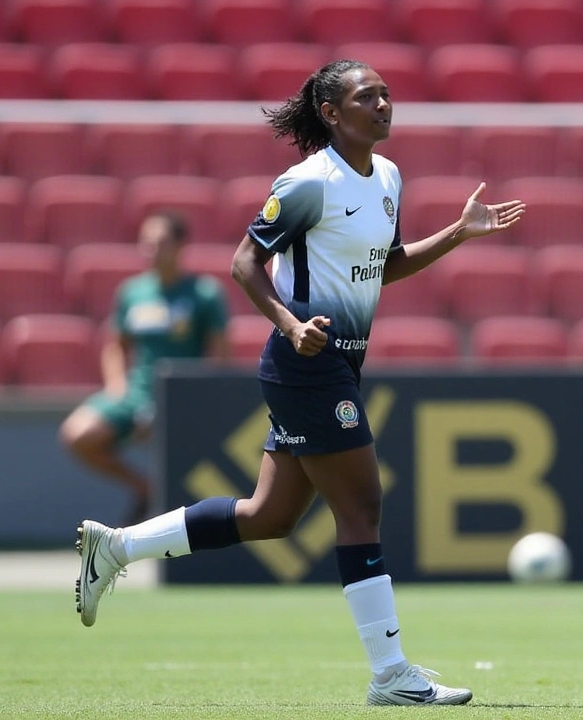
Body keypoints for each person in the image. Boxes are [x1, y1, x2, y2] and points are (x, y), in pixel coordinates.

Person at [74, 59, 524, 706]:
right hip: (305, 364)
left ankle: (116, 548)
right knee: (361, 505)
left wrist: (457, 232)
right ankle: (392, 673)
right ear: (333, 114)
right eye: (366, 96)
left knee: (270, 516)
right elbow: (244, 262)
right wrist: (288, 324)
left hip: (335, 363)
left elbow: (382, 267)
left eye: (386, 94)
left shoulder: (389, 177)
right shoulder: (309, 181)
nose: (383, 103)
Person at [60, 211, 230, 526]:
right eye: (146, 243)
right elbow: (115, 346)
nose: (151, 250)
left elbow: (219, 358)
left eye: (160, 243)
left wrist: (197, 400)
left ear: (180, 246)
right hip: (137, 391)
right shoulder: (132, 292)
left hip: (181, 394)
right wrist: (116, 385)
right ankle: (147, 490)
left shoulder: (204, 294)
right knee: (77, 434)